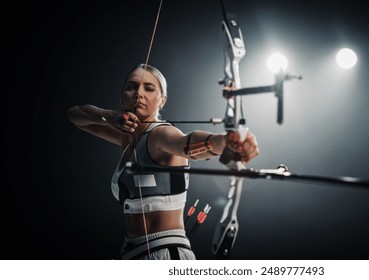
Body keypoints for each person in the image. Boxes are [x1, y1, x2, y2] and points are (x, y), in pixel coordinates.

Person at [67, 63, 259, 260]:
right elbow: (75, 116)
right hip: (133, 253)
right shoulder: (126, 136)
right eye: (131, 87)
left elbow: (186, 144)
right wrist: (110, 116)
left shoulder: (161, 134)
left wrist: (225, 142)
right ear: (122, 95)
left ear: (162, 100)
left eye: (149, 88)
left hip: (164, 253)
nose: (138, 94)